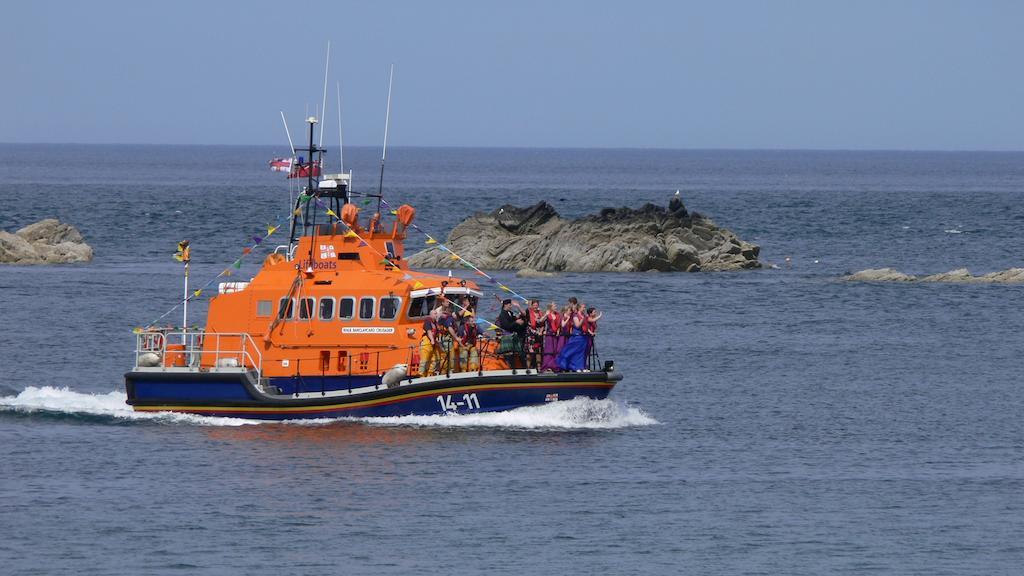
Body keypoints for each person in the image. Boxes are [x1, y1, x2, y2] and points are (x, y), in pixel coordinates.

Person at [557, 304, 588, 372]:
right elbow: (577, 325)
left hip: (583, 337)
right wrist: (582, 320)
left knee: (581, 352)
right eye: (583, 307)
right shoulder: (575, 316)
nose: (584, 309)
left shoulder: (584, 316)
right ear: (579, 308)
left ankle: (581, 367)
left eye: (585, 307)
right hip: (576, 336)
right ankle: (573, 367)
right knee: (573, 351)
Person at [496, 298, 526, 368]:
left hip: (513, 336)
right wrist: (516, 322)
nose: (511, 306)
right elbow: (506, 326)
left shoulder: (509, 313)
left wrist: (517, 318)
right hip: (507, 336)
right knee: (510, 354)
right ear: (505, 305)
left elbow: (513, 320)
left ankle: (522, 368)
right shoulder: (502, 314)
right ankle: (512, 368)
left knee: (519, 352)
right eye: (510, 305)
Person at [540, 302, 562, 372]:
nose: (556, 307)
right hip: (549, 334)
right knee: (549, 350)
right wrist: (545, 315)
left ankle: (554, 365)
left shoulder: (557, 315)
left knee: (555, 350)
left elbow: (559, 325)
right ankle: (547, 365)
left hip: (555, 335)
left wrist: (558, 331)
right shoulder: (548, 314)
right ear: (550, 307)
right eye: (554, 306)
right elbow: (540, 321)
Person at [525, 299, 546, 369]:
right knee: (529, 352)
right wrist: (529, 303)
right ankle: (528, 367)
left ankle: (539, 367)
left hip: (539, 334)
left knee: (538, 351)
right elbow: (527, 310)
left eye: (536, 305)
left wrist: (541, 331)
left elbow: (543, 324)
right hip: (530, 335)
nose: (535, 307)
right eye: (534, 305)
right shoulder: (529, 312)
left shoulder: (541, 313)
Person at [419, 309, 440, 376]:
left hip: (433, 343)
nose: (436, 315)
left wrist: (436, 340)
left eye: (436, 313)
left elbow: (436, 333)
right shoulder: (428, 321)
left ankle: (430, 374)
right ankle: (421, 375)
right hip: (427, 342)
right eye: (434, 313)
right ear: (431, 315)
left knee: (435, 359)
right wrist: (432, 340)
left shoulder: (435, 323)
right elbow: (429, 331)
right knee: (424, 360)